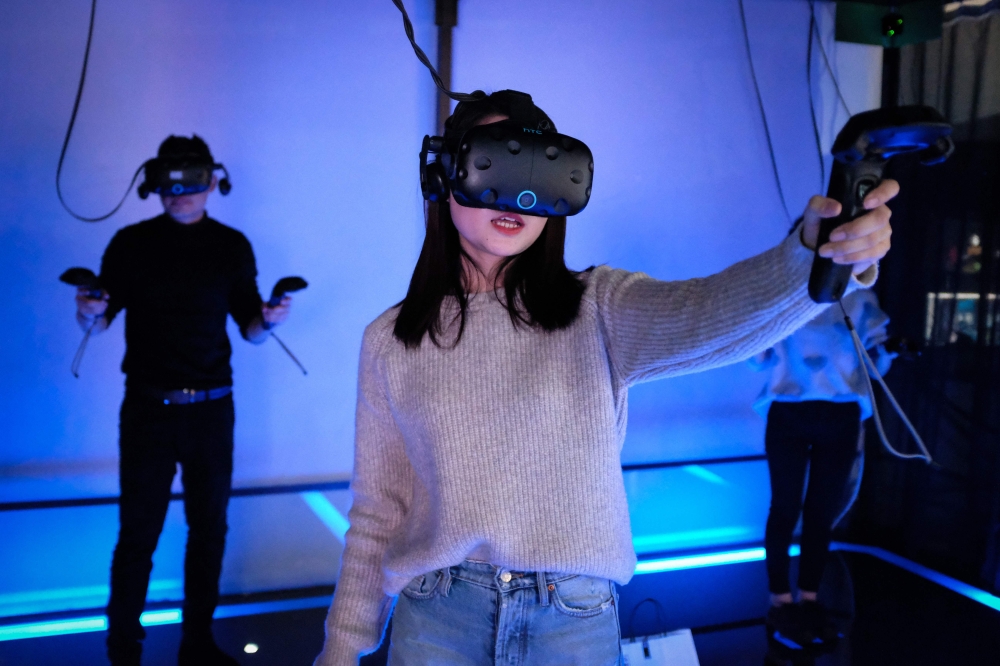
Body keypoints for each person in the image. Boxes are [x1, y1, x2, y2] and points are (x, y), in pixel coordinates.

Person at [313, 90, 896, 666]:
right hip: (437, 618)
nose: (516, 192)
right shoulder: (391, 340)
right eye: (495, 159)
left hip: (570, 622)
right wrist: (340, 650)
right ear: (441, 174)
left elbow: (712, 314)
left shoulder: (597, 308)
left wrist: (815, 258)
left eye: (541, 170)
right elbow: (378, 511)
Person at [74, 135, 292, 666]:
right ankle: (122, 648)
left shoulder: (231, 246)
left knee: (210, 527)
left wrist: (270, 318)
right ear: (154, 183)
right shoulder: (130, 243)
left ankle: (197, 642)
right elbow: (100, 319)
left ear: (211, 180)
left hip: (213, 408)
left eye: (189, 181)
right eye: (169, 183)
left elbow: (249, 328)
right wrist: (85, 311)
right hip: (148, 407)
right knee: (138, 529)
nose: (179, 193)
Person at [750, 286, 896, 650]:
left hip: (839, 412)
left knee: (821, 511)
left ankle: (809, 599)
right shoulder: (781, 293)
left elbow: (874, 361)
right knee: (785, 507)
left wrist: (890, 350)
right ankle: (781, 601)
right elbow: (757, 355)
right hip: (790, 410)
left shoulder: (860, 298)